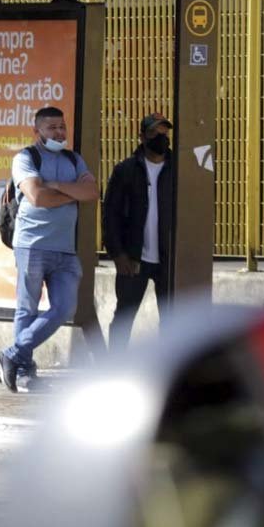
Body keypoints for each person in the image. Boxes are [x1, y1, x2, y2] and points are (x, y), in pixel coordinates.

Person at [0, 106, 98, 392]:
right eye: (51, 127)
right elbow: (37, 197)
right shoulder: (26, 158)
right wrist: (68, 191)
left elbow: (92, 193)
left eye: (62, 127)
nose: (59, 132)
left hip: (65, 248)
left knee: (65, 307)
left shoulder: (73, 159)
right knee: (27, 308)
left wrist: (53, 184)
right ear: (37, 131)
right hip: (32, 244)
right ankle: (25, 372)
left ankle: (12, 354)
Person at [102, 112, 174, 351]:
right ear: (142, 137)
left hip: (169, 260)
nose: (161, 138)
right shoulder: (126, 170)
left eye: (165, 133)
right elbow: (110, 215)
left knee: (174, 321)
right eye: (155, 133)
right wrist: (118, 254)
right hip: (133, 258)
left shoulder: (179, 171)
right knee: (124, 316)